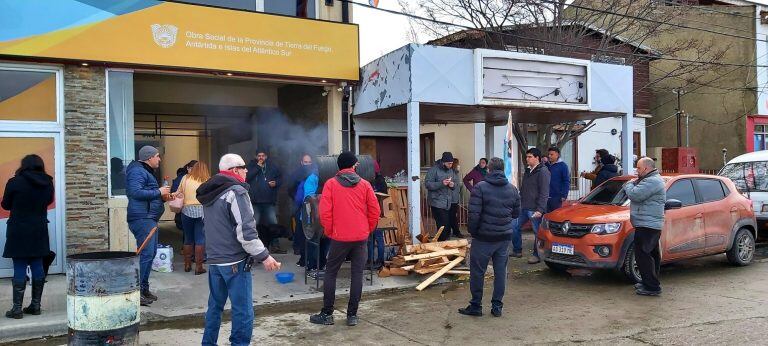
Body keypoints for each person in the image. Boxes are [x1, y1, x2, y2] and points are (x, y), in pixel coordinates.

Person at [197, 154, 281, 345]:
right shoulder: (236, 192)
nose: (246, 171)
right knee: (242, 310)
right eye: (244, 167)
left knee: (215, 307)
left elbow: (207, 226)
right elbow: (247, 232)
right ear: (235, 170)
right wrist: (265, 256)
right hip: (234, 262)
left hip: (215, 261)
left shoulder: (210, 193)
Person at [310, 152, 380, 327]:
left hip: (340, 237)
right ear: (354, 165)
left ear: (338, 167)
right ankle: (352, 315)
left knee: (331, 273)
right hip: (360, 237)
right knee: (357, 274)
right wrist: (367, 229)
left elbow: (324, 213)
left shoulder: (331, 184)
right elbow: (375, 211)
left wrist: (330, 231)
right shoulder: (365, 185)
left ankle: (327, 314)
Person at [459, 157, 520, 318]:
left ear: (489, 170)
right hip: (504, 237)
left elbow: (473, 215)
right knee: (501, 272)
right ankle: (497, 307)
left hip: (483, 238)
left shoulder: (480, 188)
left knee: (478, 272)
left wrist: (474, 232)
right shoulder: (512, 189)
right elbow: (516, 213)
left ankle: (476, 305)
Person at [3, 155, 54, 319]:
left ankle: (17, 309)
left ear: (23, 165)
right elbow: (48, 201)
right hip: (39, 228)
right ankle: (35, 306)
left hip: (19, 228)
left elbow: (5, 204)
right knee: (37, 263)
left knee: (19, 263)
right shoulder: (47, 182)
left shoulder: (15, 182)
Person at [126, 146, 169, 306]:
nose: (159, 159)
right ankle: (137, 292)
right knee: (146, 254)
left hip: (149, 217)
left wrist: (164, 197)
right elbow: (134, 193)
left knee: (150, 254)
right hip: (142, 218)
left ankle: (144, 289)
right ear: (149, 157)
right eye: (157, 156)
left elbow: (148, 194)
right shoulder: (137, 171)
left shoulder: (144, 171)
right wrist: (159, 192)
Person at [623, 157, 666, 297]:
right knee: (652, 255)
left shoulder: (653, 181)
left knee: (643, 255)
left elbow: (635, 195)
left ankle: (652, 287)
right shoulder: (649, 180)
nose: (637, 171)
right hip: (647, 223)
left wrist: (628, 184)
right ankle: (650, 282)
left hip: (648, 224)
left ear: (647, 168)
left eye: (639, 168)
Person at [511, 148, 550, 264]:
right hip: (523, 206)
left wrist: (540, 209)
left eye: (529, 157)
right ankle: (517, 250)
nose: (527, 159)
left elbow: (544, 192)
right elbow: (524, 189)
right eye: (526, 157)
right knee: (514, 226)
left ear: (537, 158)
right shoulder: (528, 171)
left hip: (535, 208)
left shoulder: (543, 171)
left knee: (537, 233)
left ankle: (536, 255)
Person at [246, 150, 283, 253]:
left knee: (273, 223)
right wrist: (258, 167)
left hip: (269, 201)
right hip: (255, 201)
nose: (261, 158)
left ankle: (275, 246)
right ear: (256, 157)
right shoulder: (250, 166)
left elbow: (280, 179)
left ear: (266, 157)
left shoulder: (272, 166)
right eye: (259, 156)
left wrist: (275, 183)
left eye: (263, 156)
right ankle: (254, 247)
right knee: (254, 224)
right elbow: (247, 178)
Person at [178, 161, 210, 275]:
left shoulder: (185, 178)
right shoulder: (207, 180)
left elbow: (178, 193)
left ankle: (187, 265)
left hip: (186, 211)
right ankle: (199, 267)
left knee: (188, 238)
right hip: (202, 211)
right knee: (200, 239)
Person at [425, 152, 460, 241]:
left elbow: (455, 184)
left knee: (446, 225)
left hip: (448, 202)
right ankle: (441, 243)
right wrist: (441, 183)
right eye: (449, 163)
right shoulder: (433, 170)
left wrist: (452, 185)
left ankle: (443, 243)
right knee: (443, 224)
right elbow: (428, 184)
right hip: (436, 201)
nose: (450, 165)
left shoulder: (451, 170)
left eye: (452, 163)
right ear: (443, 162)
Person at [546, 148, 570, 213]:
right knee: (546, 217)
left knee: (555, 215)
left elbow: (566, 181)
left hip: (556, 197)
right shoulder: (547, 165)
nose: (549, 156)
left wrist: (564, 195)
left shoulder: (563, 166)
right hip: (545, 196)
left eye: (551, 154)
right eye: (549, 154)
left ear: (557, 155)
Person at [448, 158, 464, 238]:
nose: (459, 166)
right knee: (452, 216)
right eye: (458, 164)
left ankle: (454, 231)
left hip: (455, 197)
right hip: (452, 199)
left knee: (453, 216)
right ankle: (456, 232)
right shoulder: (451, 173)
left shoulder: (456, 173)